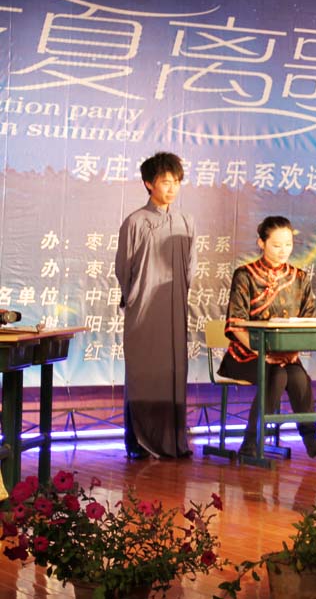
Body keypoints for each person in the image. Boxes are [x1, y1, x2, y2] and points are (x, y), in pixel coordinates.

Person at [218, 216, 316, 459]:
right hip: (246, 355)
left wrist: (291, 351)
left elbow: (308, 321)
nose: (283, 251)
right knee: (276, 375)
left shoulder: (299, 277)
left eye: (288, 244)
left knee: (299, 377)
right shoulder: (245, 275)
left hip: (286, 356)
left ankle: (311, 440)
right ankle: (251, 443)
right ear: (261, 243)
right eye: (276, 245)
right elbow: (236, 324)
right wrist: (262, 353)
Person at [115, 152, 195, 459]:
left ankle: (174, 441)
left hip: (174, 307)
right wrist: (136, 298)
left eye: (176, 182)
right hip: (144, 308)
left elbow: (190, 268)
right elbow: (123, 268)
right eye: (165, 182)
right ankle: (138, 442)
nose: (172, 188)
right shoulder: (135, 221)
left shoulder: (185, 221)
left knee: (172, 372)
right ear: (149, 184)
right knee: (144, 374)